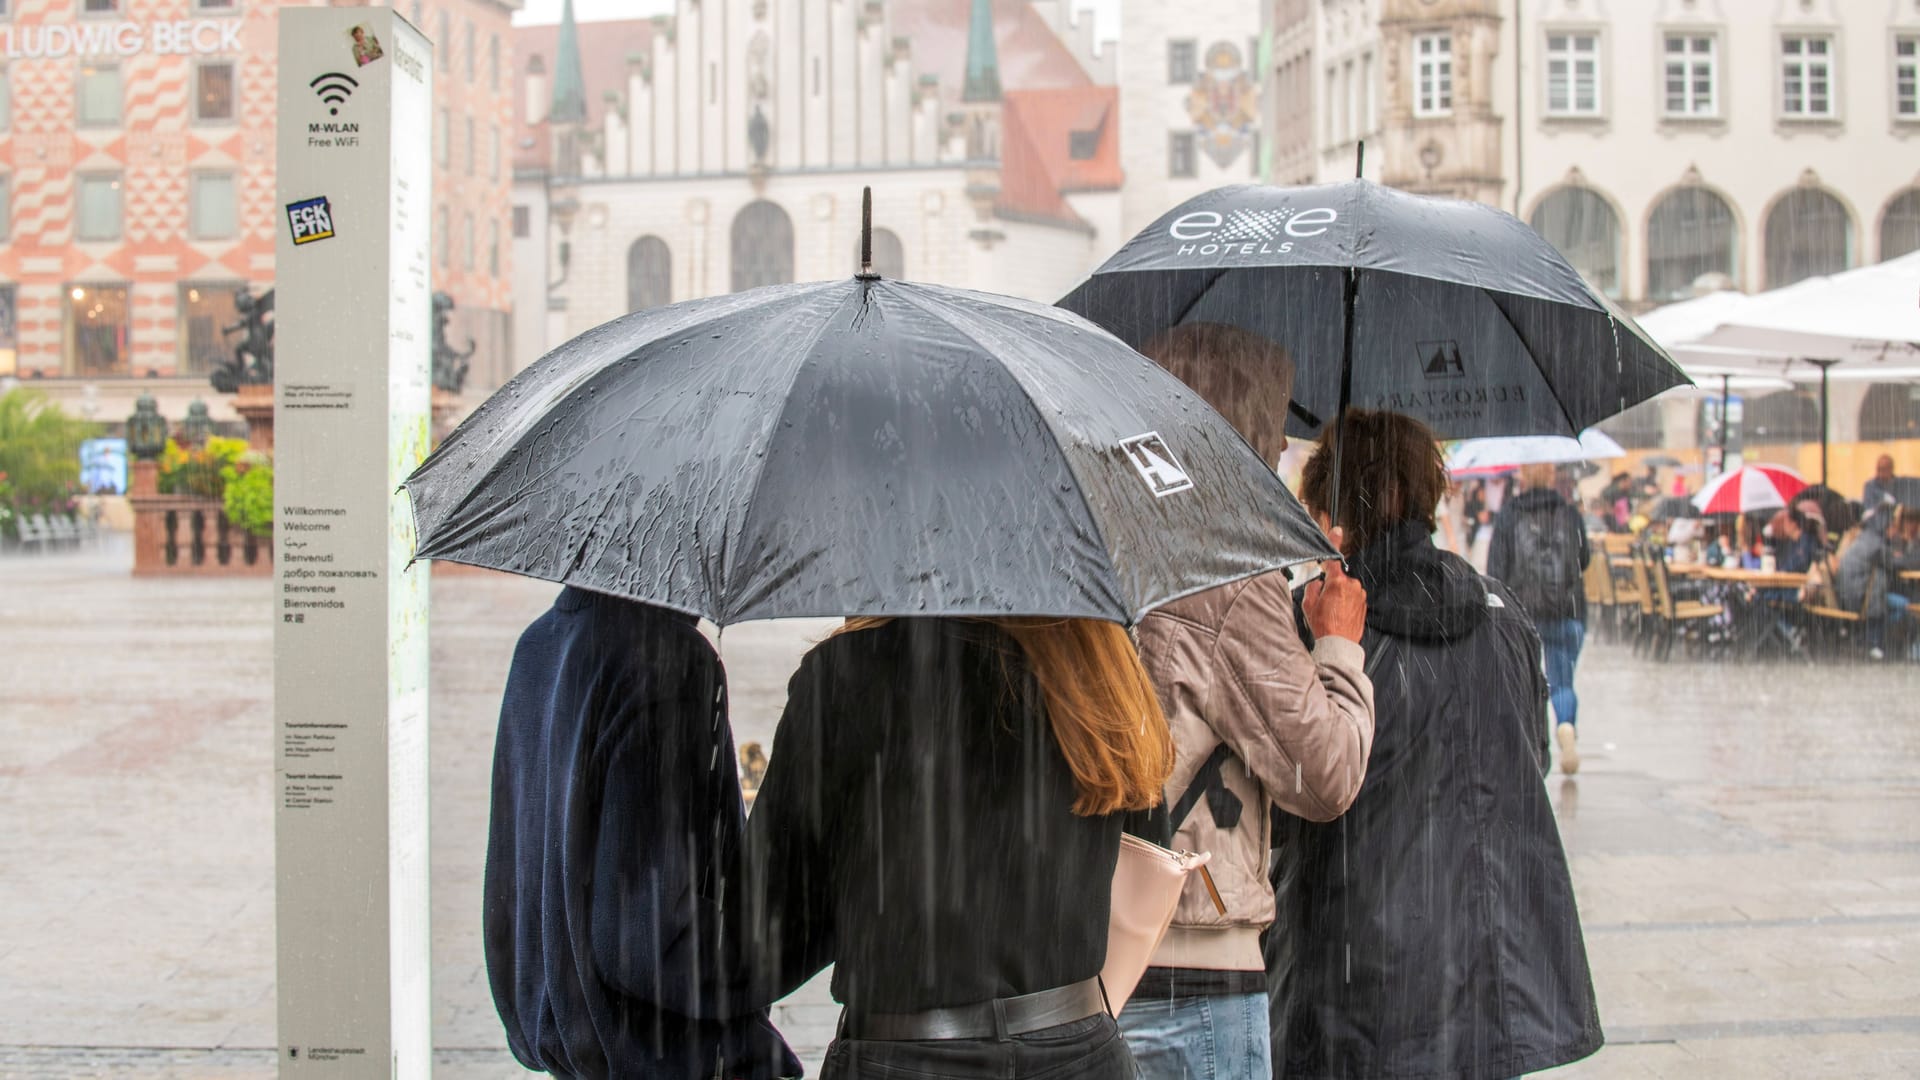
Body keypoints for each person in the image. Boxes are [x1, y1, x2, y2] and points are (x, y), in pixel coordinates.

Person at [1267, 409, 1603, 1080]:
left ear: (1331, 501)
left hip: (1356, 979)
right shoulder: (1502, 613)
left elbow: (1291, 797)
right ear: (1425, 492)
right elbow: (1527, 762)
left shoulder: (1320, 623)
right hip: (1492, 969)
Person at [740, 616, 1170, 1079]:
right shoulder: (1102, 667)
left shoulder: (851, 669)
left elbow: (768, 935)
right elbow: (1147, 847)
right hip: (1080, 1052)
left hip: (903, 1059)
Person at [1117, 323, 1376, 1080]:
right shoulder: (1227, 572)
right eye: (1270, 443)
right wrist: (1336, 647)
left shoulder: (1103, 544)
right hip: (1194, 970)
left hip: (1084, 966)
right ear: (1239, 441)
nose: (1277, 464)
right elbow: (1324, 775)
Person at [484, 588, 798, 1080]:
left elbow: (514, 890)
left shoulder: (539, 645)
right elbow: (649, 938)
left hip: (579, 1053)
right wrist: (812, 927)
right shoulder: (665, 659)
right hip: (665, 1056)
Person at [1487, 462, 1591, 776]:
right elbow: (1583, 559)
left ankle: (1535, 750)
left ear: (1522, 478)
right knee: (1562, 682)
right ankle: (1567, 726)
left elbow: (1496, 569)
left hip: (1523, 613)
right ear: (1550, 476)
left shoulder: (1509, 515)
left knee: (1528, 683)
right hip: (1567, 610)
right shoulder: (1570, 513)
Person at [1836, 507, 1920, 660]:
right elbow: (1897, 565)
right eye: (1893, 527)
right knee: (1905, 605)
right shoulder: (1876, 546)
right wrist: (1902, 558)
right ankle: (1873, 641)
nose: (1896, 531)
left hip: (1849, 593)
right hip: (1862, 595)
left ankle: (1868, 640)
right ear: (1886, 527)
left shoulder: (1867, 539)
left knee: (1892, 605)